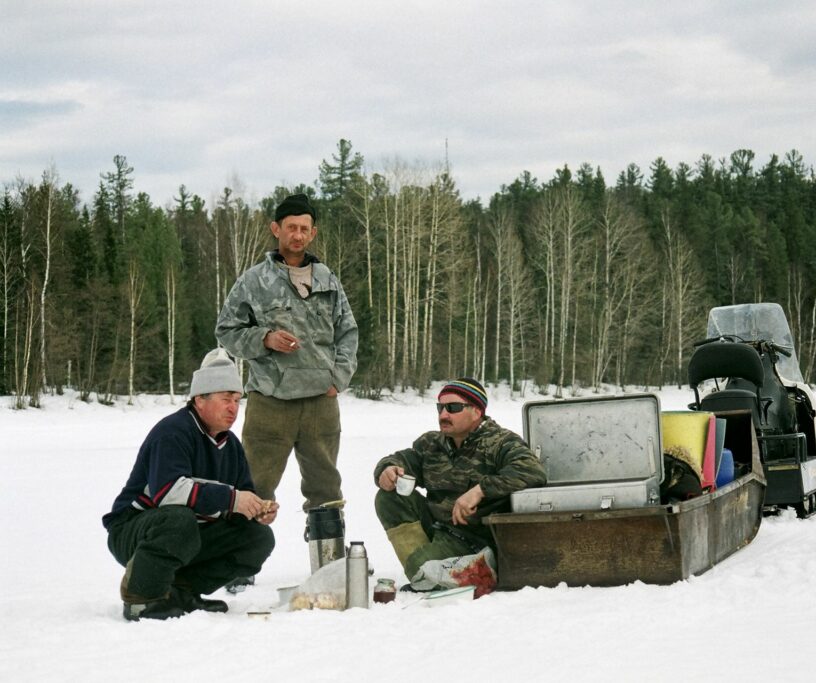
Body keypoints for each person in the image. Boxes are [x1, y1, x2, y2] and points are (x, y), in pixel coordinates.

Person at [102, 349, 278, 621]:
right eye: (225, 399)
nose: (233, 408)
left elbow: (240, 496)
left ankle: (181, 591)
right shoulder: (173, 432)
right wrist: (232, 499)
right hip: (133, 530)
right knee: (179, 519)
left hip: (188, 533)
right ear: (200, 399)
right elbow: (168, 493)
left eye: (237, 400)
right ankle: (141, 597)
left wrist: (255, 509)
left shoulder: (231, 445)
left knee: (257, 537)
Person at [215, 192, 358, 514]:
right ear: (275, 229)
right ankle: (236, 562)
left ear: (313, 233)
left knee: (327, 491)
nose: (298, 235)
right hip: (270, 402)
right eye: (291, 227)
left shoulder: (328, 280)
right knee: (253, 490)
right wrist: (264, 339)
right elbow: (226, 331)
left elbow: (348, 332)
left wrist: (339, 378)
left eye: (304, 229)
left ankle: (328, 561)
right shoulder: (254, 281)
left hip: (320, 401)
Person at [373, 378, 546, 589]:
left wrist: (480, 490)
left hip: (474, 539)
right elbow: (403, 460)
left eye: (453, 408)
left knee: (421, 565)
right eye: (441, 407)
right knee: (388, 497)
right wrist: (388, 469)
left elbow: (532, 470)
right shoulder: (431, 444)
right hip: (437, 528)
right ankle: (428, 574)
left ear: (476, 411)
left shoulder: (501, 442)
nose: (443, 415)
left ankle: (470, 570)